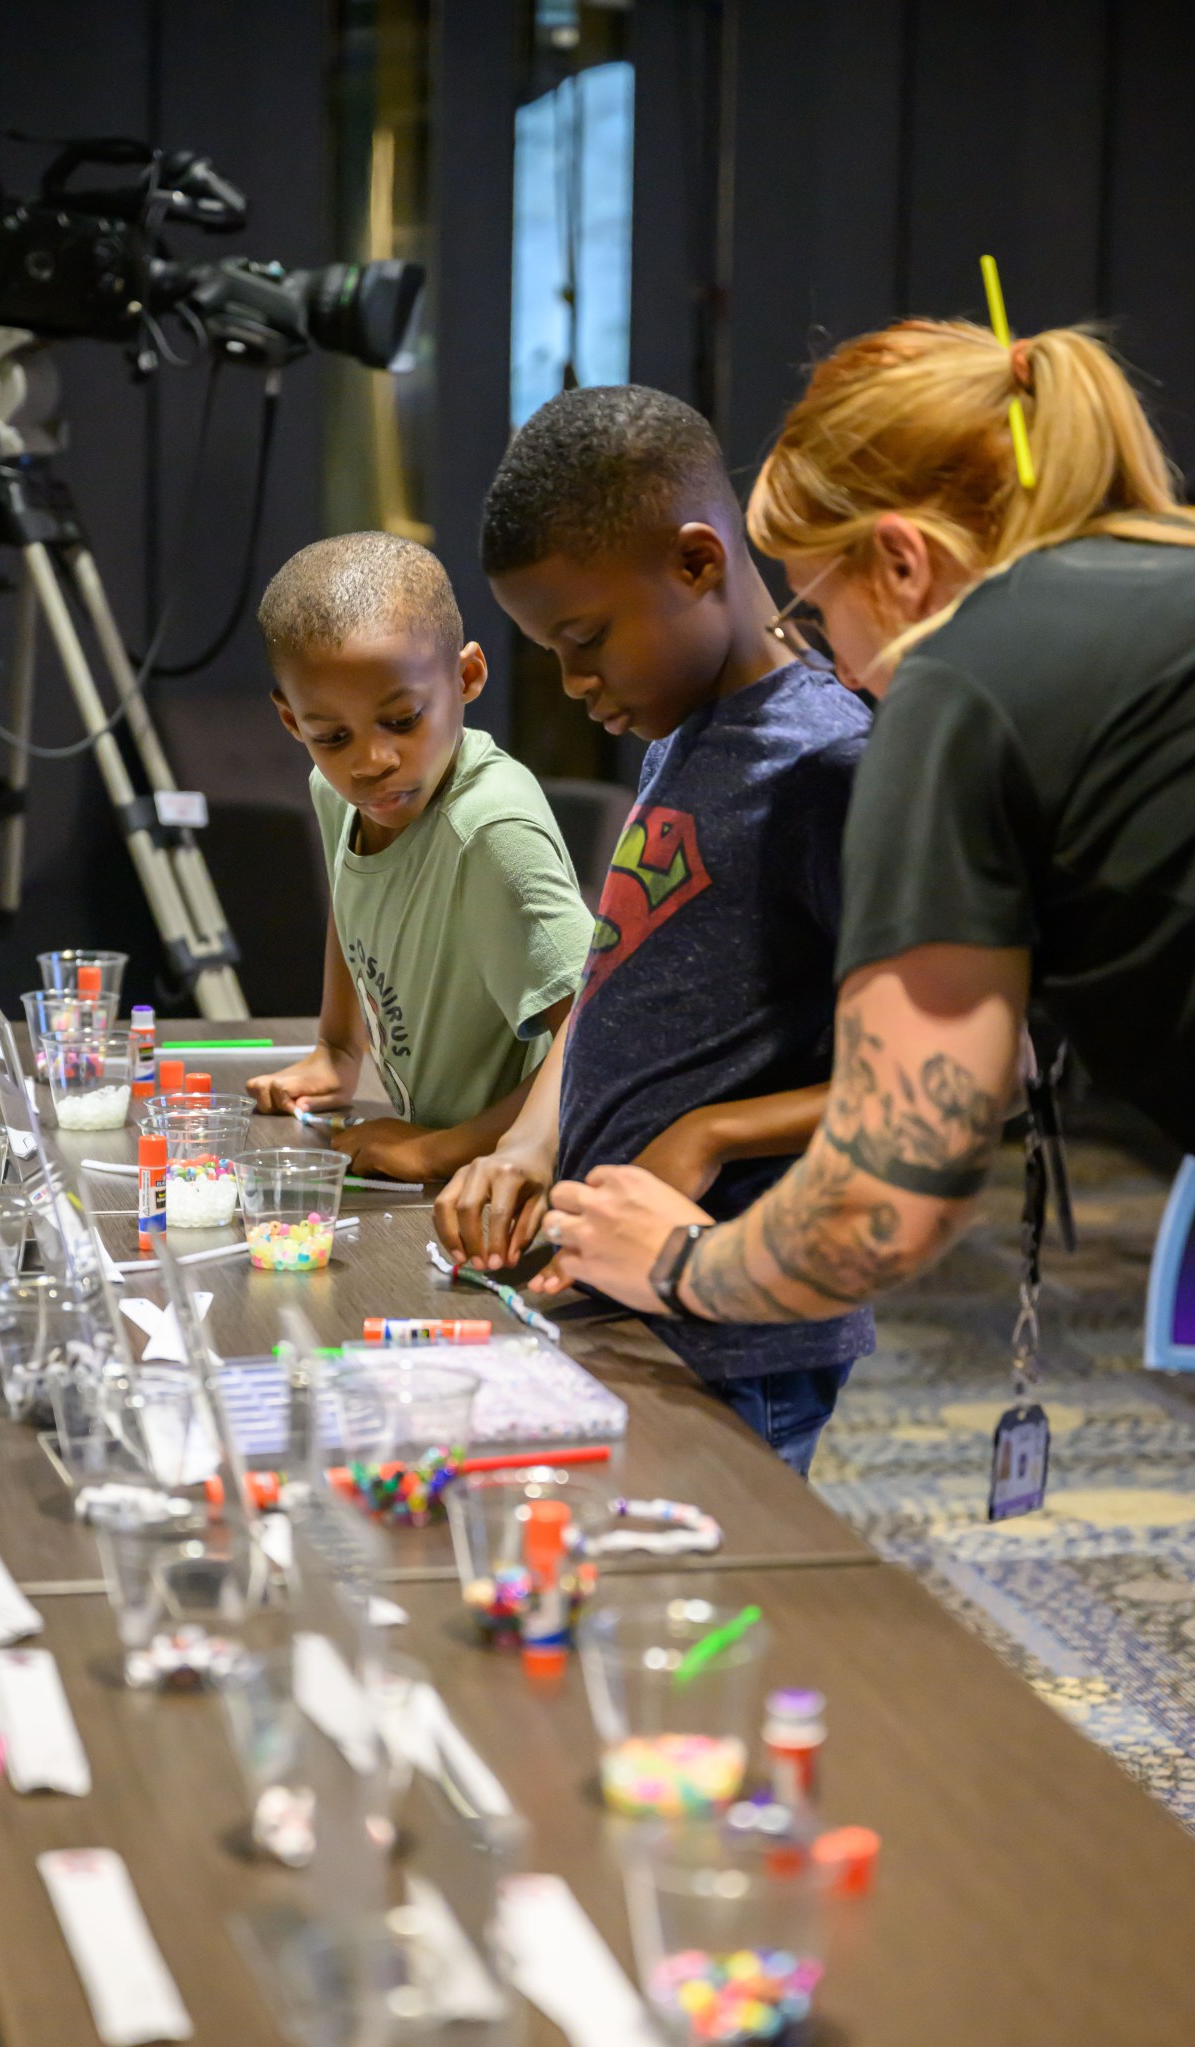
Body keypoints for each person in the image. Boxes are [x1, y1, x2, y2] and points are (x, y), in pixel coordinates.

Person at [535, 319, 1195, 1331]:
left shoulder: (961, 679)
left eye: (817, 606)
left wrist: (674, 1260)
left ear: (899, 563)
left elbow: (884, 1203)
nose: (841, 670)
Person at [434, 386, 874, 1473]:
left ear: (695, 564)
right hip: (620, 1287)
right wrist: (532, 1139)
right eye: (551, 651)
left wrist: (712, 1133)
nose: (576, 682)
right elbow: (610, 976)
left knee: (722, 1599)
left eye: (585, 639)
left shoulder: (830, 763)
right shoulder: (687, 730)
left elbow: (940, 1077)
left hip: (741, 1323)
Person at [249, 531, 592, 1183]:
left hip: (518, 1172)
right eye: (332, 736)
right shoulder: (337, 792)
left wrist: (442, 1148)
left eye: (401, 720)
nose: (370, 761)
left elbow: (597, 1032)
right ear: (293, 722)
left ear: (465, 677)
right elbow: (353, 906)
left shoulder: (490, 828)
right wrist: (337, 1048)